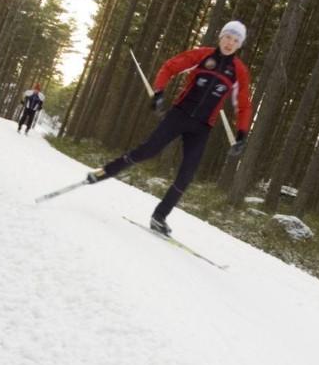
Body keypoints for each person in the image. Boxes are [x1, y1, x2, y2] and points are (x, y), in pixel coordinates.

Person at [86, 21, 252, 235]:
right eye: (228, 37)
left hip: (202, 127)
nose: (230, 43)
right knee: (148, 150)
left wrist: (241, 134)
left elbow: (244, 104)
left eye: (236, 40)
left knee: (187, 173)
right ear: (221, 37)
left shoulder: (239, 71)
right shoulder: (202, 55)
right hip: (179, 114)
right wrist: (159, 91)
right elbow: (170, 66)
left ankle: (160, 216)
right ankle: (104, 172)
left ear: (240, 45)